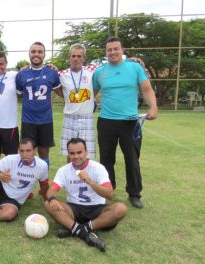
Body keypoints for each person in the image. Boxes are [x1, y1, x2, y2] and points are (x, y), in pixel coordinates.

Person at [93, 37, 158, 208]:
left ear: (122, 50)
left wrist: (153, 108)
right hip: (106, 122)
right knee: (106, 159)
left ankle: (134, 193)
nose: (113, 52)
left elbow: (146, 89)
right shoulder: (99, 72)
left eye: (116, 49)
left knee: (132, 159)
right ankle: (108, 190)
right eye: (109, 49)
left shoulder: (134, 68)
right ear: (105, 52)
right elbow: (91, 93)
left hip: (130, 122)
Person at [45, 138, 127, 252]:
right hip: (74, 209)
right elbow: (51, 191)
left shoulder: (98, 168)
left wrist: (90, 181)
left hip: (96, 209)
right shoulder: (64, 170)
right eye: (72, 153)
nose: (76, 156)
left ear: (86, 152)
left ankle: (74, 228)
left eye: (79, 152)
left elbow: (109, 195)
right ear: (68, 154)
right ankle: (84, 233)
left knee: (121, 208)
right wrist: (52, 199)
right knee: (48, 204)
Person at [15, 42, 61, 170]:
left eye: (40, 52)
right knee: (26, 153)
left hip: (46, 120)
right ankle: (26, 183)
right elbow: (18, 93)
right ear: (29, 54)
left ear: (44, 54)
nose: (36, 54)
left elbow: (60, 91)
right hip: (28, 120)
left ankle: (44, 184)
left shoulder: (52, 72)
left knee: (44, 152)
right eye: (33, 51)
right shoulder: (21, 74)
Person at [57, 43, 96, 162]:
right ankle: (70, 179)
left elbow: (109, 66)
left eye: (79, 56)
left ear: (84, 58)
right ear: (69, 57)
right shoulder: (62, 75)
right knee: (70, 153)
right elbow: (57, 89)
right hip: (70, 117)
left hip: (86, 117)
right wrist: (67, 97)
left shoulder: (92, 71)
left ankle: (85, 180)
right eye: (73, 56)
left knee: (86, 154)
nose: (76, 59)